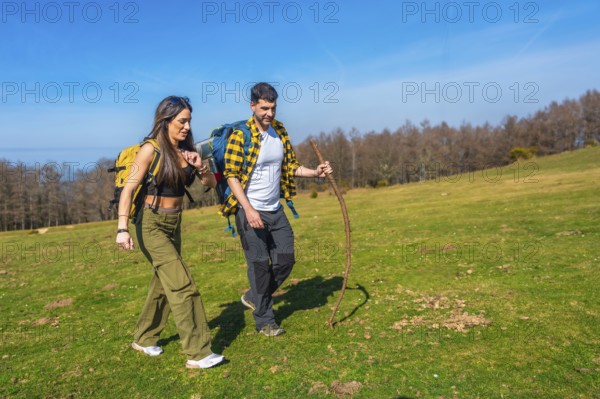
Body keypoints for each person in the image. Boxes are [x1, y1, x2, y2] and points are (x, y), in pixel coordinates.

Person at [116, 96, 224, 369]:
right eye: (182, 121)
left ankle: (144, 337)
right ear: (165, 121)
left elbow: (210, 184)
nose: (187, 126)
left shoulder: (187, 150)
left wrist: (200, 165)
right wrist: (122, 228)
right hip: (150, 224)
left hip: (174, 224)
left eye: (189, 121)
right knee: (183, 286)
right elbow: (128, 190)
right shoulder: (150, 150)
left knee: (164, 284)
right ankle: (199, 353)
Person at [220, 82, 333, 336]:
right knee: (259, 265)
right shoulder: (241, 135)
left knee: (285, 259)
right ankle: (265, 321)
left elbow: (291, 166)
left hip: (275, 208)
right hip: (250, 210)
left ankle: (254, 296)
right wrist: (248, 209)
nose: (269, 113)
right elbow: (231, 176)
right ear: (252, 106)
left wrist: (316, 172)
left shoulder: (279, 130)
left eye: (272, 108)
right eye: (264, 108)